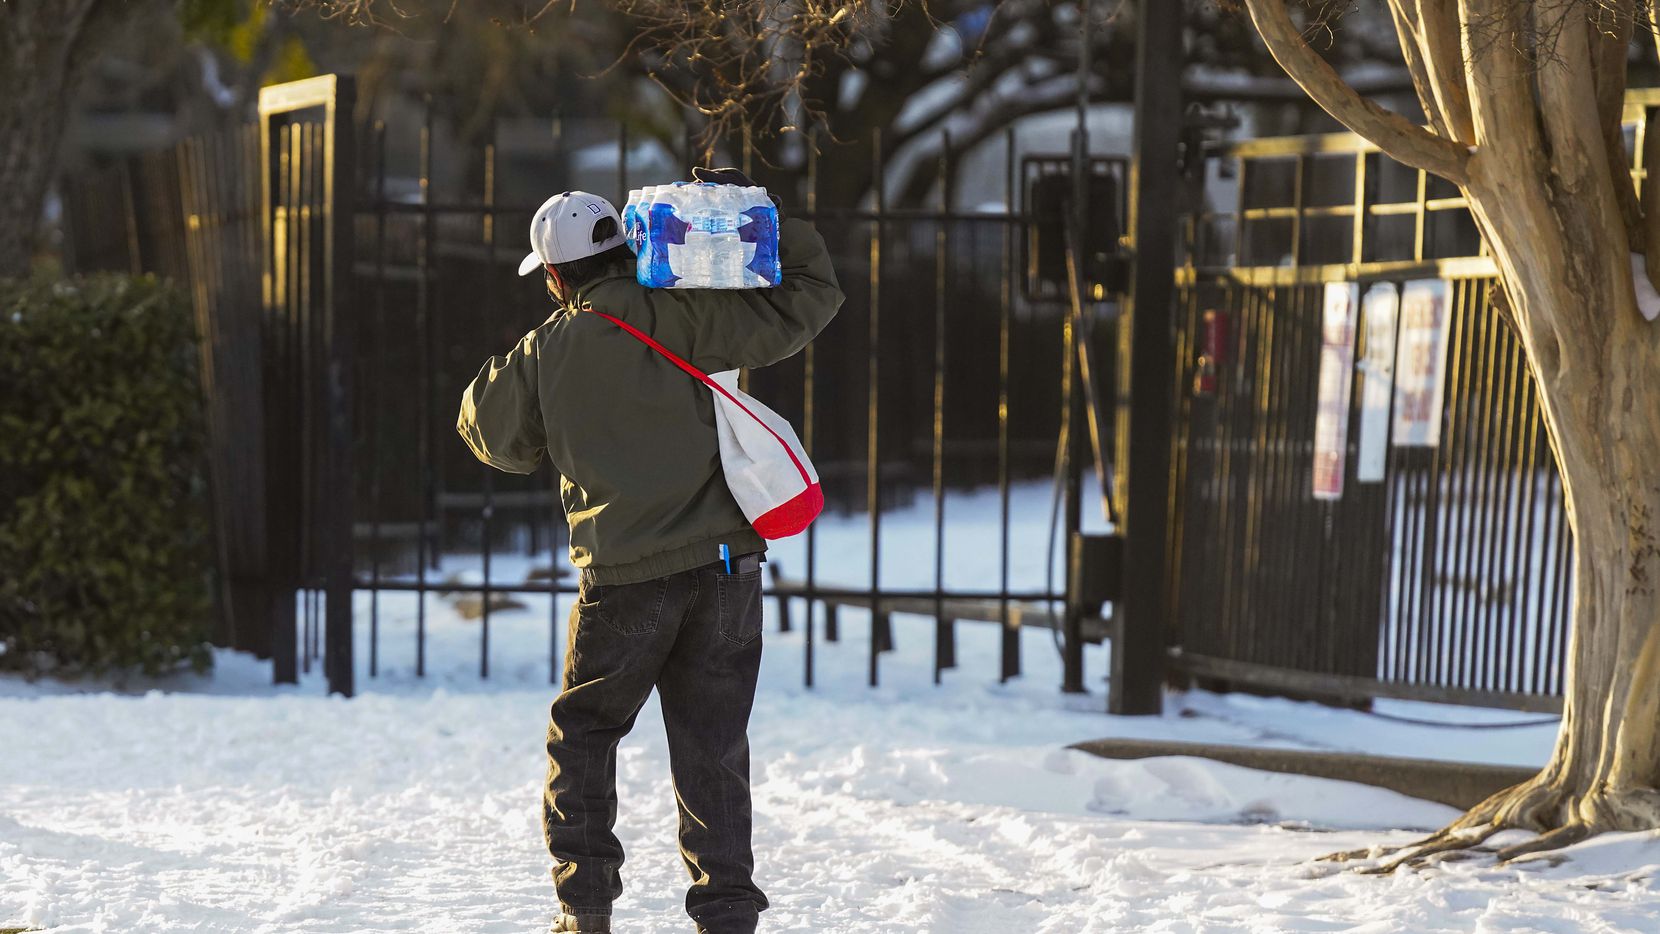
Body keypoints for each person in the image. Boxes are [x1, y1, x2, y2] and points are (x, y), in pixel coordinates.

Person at [456, 169, 842, 934]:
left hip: (623, 578)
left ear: (556, 277)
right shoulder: (688, 313)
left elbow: (490, 435)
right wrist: (765, 213)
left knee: (586, 734)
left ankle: (586, 909)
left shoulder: (546, 350)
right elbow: (810, 293)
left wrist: (537, 357)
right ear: (626, 251)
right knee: (713, 747)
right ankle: (727, 916)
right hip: (725, 569)